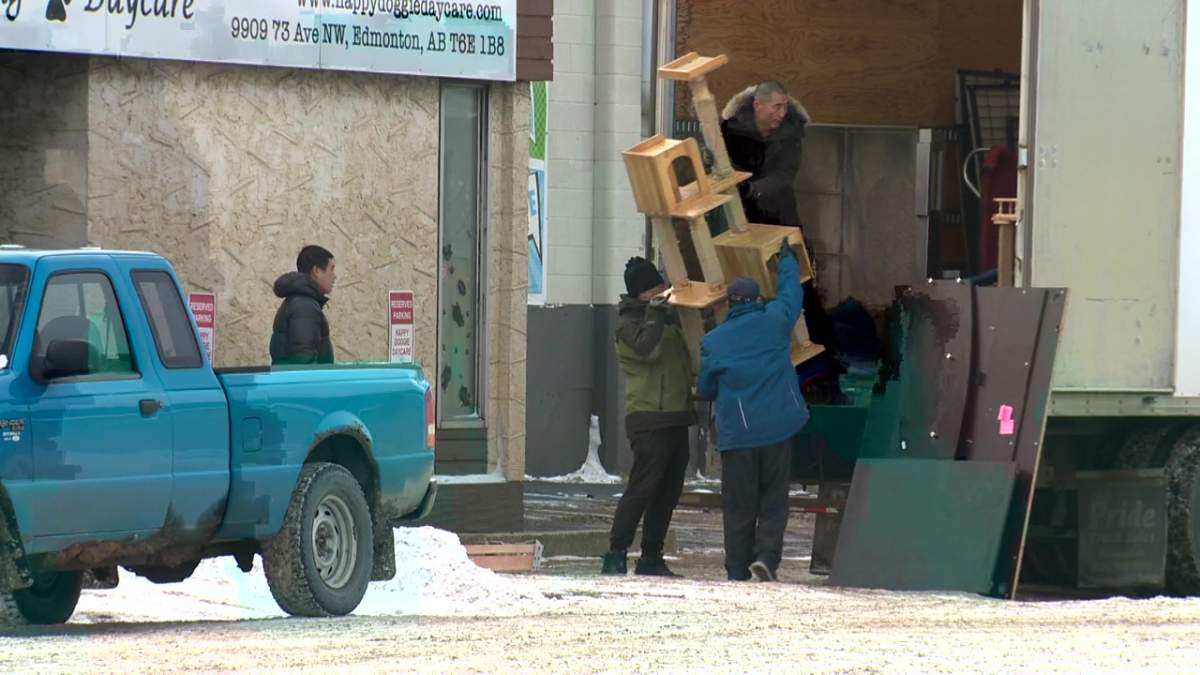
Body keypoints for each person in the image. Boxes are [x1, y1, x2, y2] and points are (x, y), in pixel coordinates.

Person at [697, 241, 809, 582]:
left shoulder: (714, 341)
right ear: (758, 300)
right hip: (777, 430)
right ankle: (766, 559)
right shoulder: (775, 321)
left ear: (729, 304)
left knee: (739, 505)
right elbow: (791, 295)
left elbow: (705, 390)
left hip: (739, 436)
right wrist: (787, 261)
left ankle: (736, 568)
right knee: (774, 500)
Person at [600, 257, 696, 578]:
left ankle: (651, 557)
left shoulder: (667, 317)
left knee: (667, 493)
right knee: (642, 489)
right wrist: (655, 314)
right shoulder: (627, 324)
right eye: (657, 287)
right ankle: (616, 554)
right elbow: (647, 350)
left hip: (676, 416)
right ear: (643, 293)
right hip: (649, 420)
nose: (663, 290)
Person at [721, 79, 834, 351]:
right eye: (776, 107)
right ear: (757, 105)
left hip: (780, 215)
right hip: (742, 218)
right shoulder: (731, 131)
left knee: (796, 280)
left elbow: (784, 175)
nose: (781, 113)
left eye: (784, 106)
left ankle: (814, 344)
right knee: (748, 278)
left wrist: (752, 189)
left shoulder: (790, 133)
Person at [270, 245, 337, 365]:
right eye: (331, 269)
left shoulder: (300, 302)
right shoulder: (305, 306)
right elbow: (304, 363)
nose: (334, 276)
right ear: (316, 271)